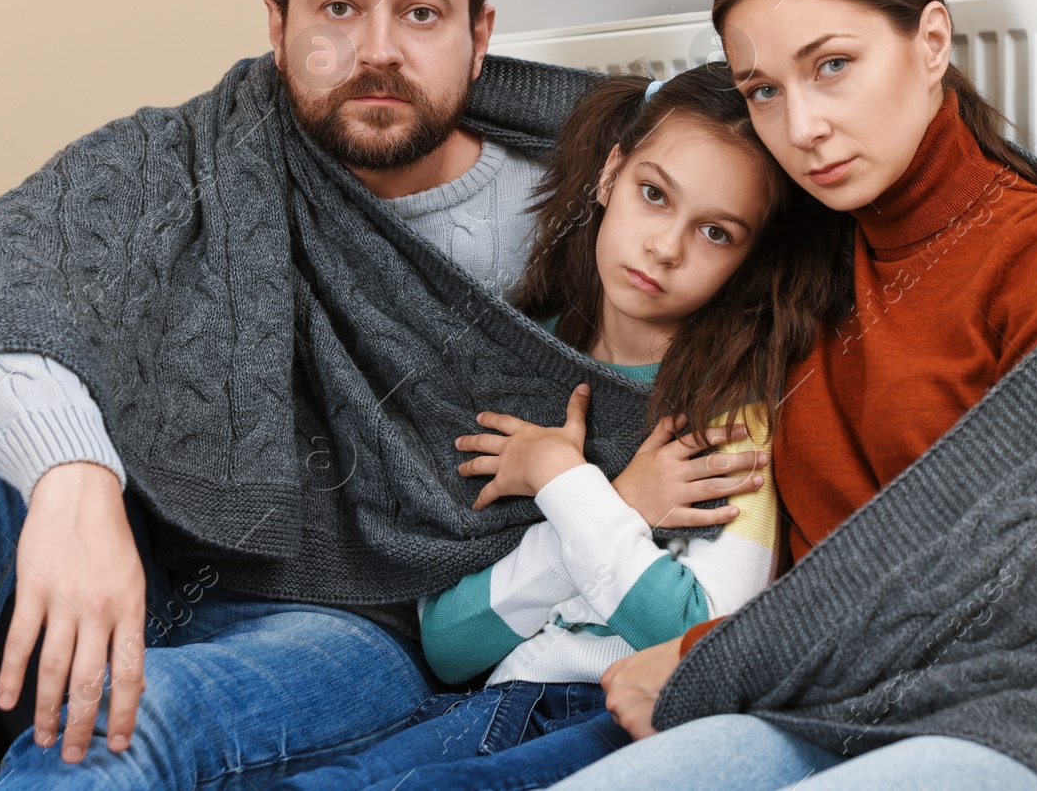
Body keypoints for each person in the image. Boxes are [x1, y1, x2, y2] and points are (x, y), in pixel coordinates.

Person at [0, 0, 763, 789]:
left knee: (116, 721)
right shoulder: (201, 156)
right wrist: (73, 477)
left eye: (422, 12)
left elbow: (684, 351)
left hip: (360, 627)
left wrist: (601, 493)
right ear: (277, 26)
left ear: (480, 33)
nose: (378, 51)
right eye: (338, 9)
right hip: (150, 544)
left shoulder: (599, 212)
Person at [551, 0, 1037, 790]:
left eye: (834, 66)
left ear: (932, 43)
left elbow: (1027, 577)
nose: (800, 126)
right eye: (765, 89)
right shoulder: (795, 266)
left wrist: (711, 653)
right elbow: (625, 140)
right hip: (820, 704)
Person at [267, 63, 811, 791]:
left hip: (613, 715)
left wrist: (565, 481)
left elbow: (700, 636)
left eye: (715, 231)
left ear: (747, 259)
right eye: (655, 195)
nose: (666, 247)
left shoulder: (726, 414)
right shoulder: (522, 363)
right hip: (493, 698)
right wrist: (614, 501)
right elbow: (449, 639)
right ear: (611, 174)